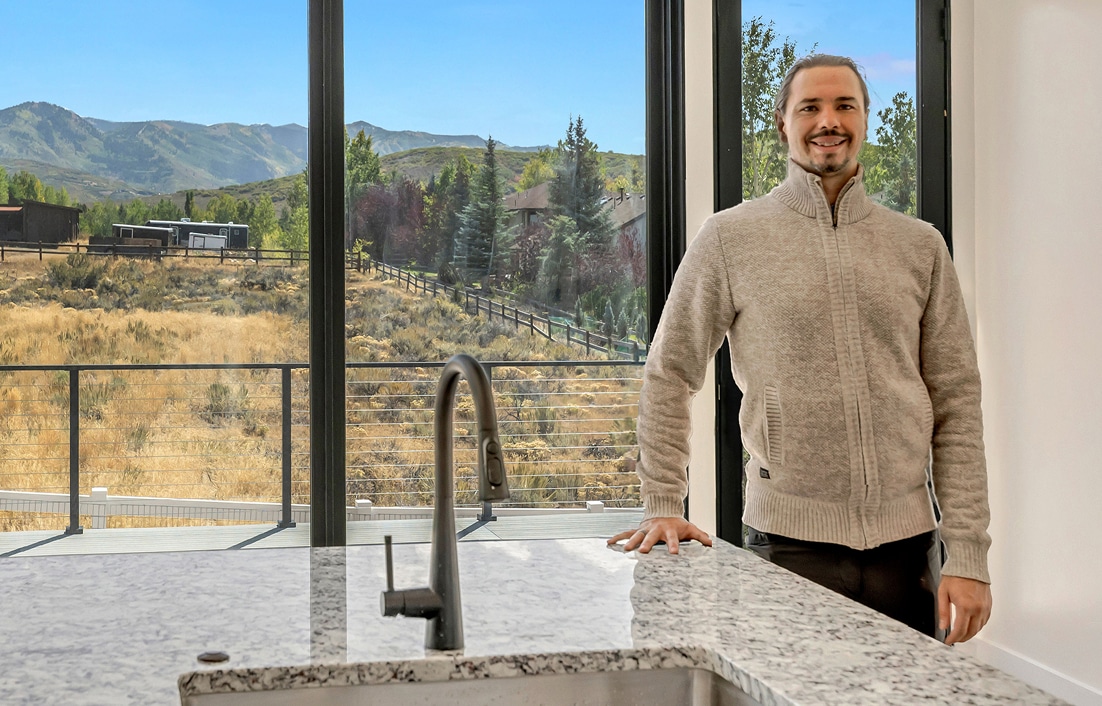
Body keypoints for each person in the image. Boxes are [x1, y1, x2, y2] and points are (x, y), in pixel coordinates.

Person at [609, 54, 992, 645]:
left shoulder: (920, 247)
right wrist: (663, 500)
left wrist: (966, 553)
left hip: (909, 552)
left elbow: (957, 402)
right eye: (809, 106)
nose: (828, 120)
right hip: (786, 546)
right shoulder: (731, 238)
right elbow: (670, 371)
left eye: (845, 105)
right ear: (782, 123)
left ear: (866, 119)